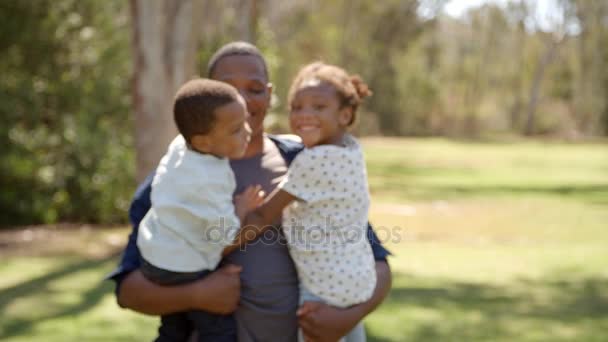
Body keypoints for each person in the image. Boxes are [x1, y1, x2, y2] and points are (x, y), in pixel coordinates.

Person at [108, 41, 392, 342]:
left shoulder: (309, 164)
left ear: (270, 95)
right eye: (228, 89)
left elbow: (375, 263)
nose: (242, 100)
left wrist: (346, 318)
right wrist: (196, 295)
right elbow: (129, 290)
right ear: (207, 98)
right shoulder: (175, 182)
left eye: (255, 89)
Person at [242, 61, 375, 342]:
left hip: (322, 291)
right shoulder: (351, 150)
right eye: (297, 106)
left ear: (345, 115)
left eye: (318, 106)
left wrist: (218, 243)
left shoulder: (313, 161)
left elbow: (265, 215)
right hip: (357, 284)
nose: (304, 115)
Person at [136, 78, 264, 342]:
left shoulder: (182, 147)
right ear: (204, 142)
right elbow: (225, 235)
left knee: (175, 327)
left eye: (246, 122)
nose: (248, 132)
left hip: (155, 256)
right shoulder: (206, 181)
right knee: (218, 328)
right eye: (236, 129)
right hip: (182, 266)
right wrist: (241, 207)